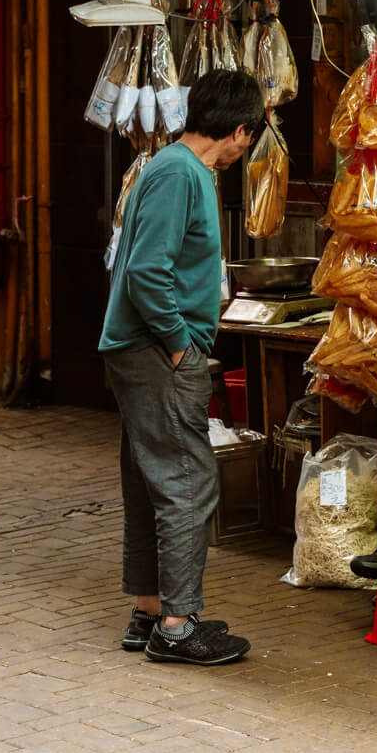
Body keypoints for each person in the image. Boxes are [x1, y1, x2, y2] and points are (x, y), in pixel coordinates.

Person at [99, 69, 262, 666]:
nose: (248, 148)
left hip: (140, 349)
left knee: (152, 482)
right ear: (239, 130)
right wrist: (178, 343)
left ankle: (149, 612)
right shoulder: (180, 172)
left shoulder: (170, 166)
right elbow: (146, 270)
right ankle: (176, 624)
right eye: (252, 134)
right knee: (189, 483)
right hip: (155, 352)